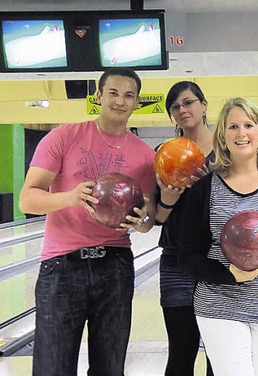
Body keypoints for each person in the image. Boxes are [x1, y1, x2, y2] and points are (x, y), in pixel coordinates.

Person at [19, 67, 157, 376]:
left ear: (136, 103)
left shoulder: (145, 155)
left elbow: (148, 220)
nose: (120, 101)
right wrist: (70, 197)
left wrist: (140, 219)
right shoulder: (64, 137)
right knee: (52, 367)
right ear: (98, 96)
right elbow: (27, 199)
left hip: (115, 266)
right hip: (62, 267)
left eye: (129, 96)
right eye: (113, 93)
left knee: (110, 368)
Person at [178, 97, 258, 376]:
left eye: (248, 125)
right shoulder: (204, 189)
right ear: (222, 136)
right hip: (219, 305)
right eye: (233, 126)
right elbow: (187, 256)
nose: (241, 133)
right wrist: (229, 275)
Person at [155, 81, 214, 376]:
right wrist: (167, 200)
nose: (182, 110)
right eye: (175, 107)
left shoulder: (228, 149)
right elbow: (157, 218)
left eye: (188, 102)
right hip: (177, 259)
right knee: (181, 349)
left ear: (204, 105)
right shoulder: (162, 153)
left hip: (219, 259)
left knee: (220, 352)